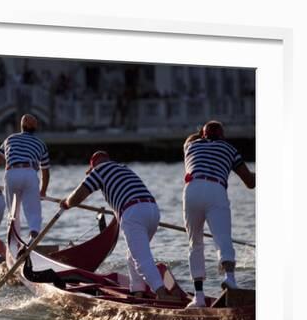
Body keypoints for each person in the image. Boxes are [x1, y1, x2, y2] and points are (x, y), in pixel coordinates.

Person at [60, 151, 177, 301]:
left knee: (141, 259)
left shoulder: (99, 170)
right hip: (152, 210)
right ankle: (138, 292)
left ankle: (162, 294)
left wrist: (66, 203)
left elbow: (77, 197)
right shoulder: (123, 168)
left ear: (93, 166)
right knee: (133, 255)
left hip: (133, 212)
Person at [183, 120, 256, 308]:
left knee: (195, 243)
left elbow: (191, 138)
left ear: (203, 135)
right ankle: (229, 278)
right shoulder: (229, 149)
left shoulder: (191, 145)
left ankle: (198, 297)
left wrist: (199, 134)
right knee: (223, 239)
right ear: (222, 136)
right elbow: (250, 182)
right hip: (216, 189)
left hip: (192, 189)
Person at [0, 114, 50, 241]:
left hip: (11, 173)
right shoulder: (40, 144)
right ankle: (33, 233)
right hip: (30, 173)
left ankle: (14, 243)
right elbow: (45, 171)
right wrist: (43, 191)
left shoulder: (9, 140)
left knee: (13, 212)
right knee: (33, 211)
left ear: (21, 126)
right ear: (35, 128)